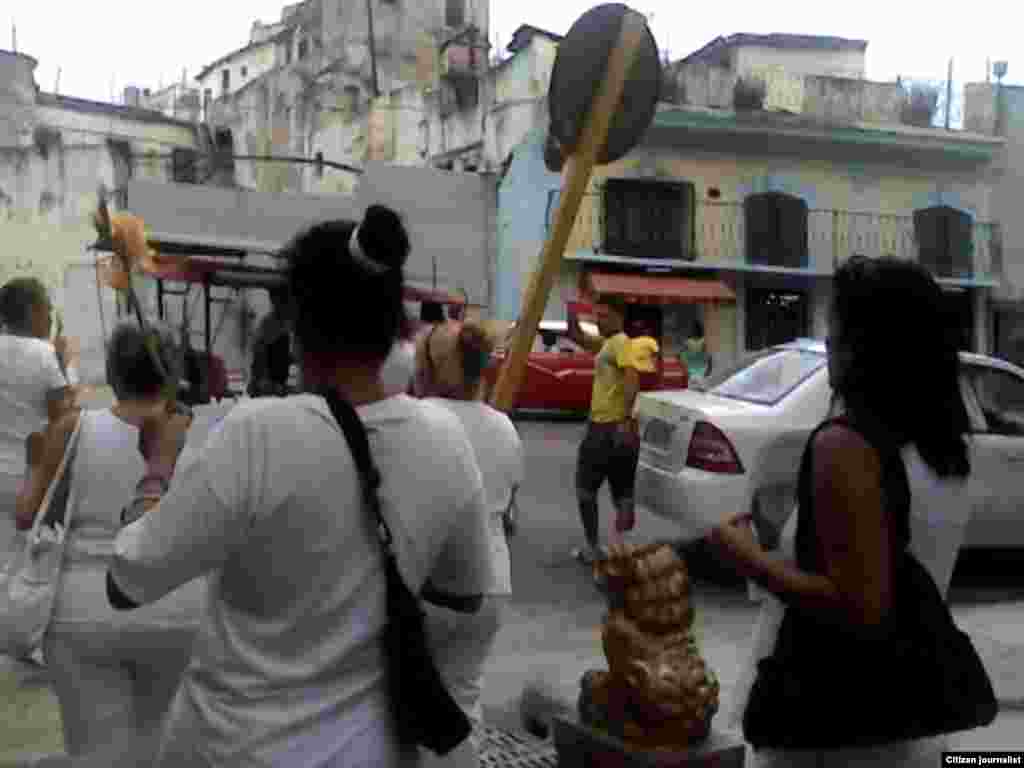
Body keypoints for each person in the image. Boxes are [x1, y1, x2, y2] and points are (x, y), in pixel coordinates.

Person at [106, 205, 498, 768]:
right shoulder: (447, 440)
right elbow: (463, 594)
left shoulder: (257, 433)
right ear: (396, 324)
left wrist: (158, 467)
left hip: (233, 748)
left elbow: (127, 582)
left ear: (295, 326)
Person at [715, 255, 973, 767]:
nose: (827, 339)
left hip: (826, 734)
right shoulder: (947, 452)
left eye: (838, 325)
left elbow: (857, 606)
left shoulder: (845, 446)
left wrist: (746, 556)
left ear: (873, 347)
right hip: (911, 719)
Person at [16, 322, 204, 764]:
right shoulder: (198, 432)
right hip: (179, 606)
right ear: (171, 371)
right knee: (166, 746)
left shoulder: (74, 429)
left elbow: (28, 513)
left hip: (84, 611)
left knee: (96, 752)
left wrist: (34, 464)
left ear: (114, 373)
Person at [414, 319, 523, 766]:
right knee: (464, 699)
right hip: (492, 583)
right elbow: (510, 512)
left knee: (412, 705)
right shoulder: (504, 428)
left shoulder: (417, 418)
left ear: (428, 368)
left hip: (430, 584)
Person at [567, 296, 658, 563]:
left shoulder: (620, 342)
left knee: (585, 489)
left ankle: (594, 548)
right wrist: (572, 311)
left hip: (606, 427)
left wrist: (627, 420)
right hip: (614, 428)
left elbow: (632, 377)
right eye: (597, 315)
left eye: (604, 316)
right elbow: (578, 337)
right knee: (622, 490)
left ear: (619, 317)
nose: (599, 320)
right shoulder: (609, 344)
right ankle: (622, 547)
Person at [1, 277, 78, 550]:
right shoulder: (44, 355)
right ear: (33, 311)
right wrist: (63, 365)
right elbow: (65, 420)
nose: (50, 316)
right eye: (47, 308)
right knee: (20, 561)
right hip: (29, 478)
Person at [248, 286, 292, 397]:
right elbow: (259, 352)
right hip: (269, 381)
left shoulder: (286, 322)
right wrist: (262, 380)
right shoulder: (268, 324)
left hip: (277, 381)